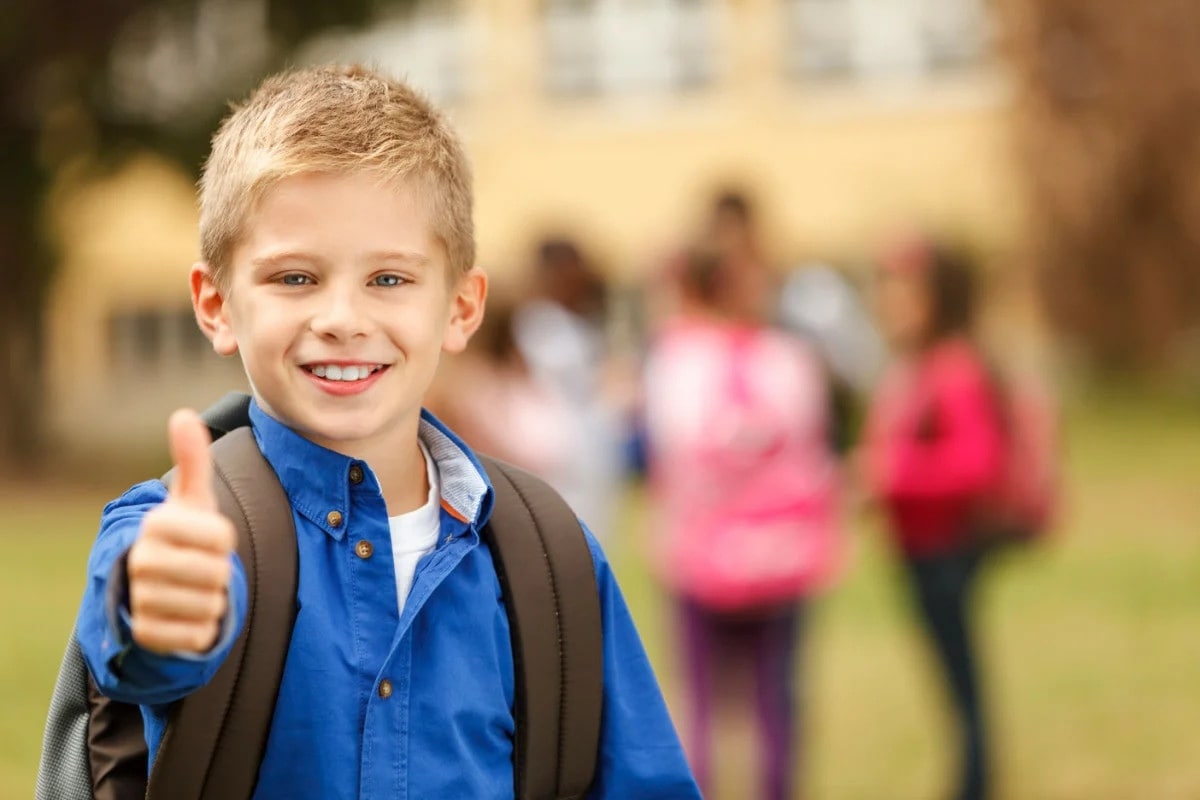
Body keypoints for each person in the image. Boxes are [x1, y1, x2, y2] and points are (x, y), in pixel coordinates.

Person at [72, 64, 699, 799]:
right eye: (295, 278)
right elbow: (145, 643)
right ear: (215, 304)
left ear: (462, 307)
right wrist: (164, 611)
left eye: (390, 280)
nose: (343, 318)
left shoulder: (550, 557)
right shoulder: (174, 532)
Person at [641, 245, 841, 800]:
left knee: (702, 703)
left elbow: (664, 455)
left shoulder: (676, 363)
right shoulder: (790, 360)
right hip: (783, 551)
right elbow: (815, 450)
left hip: (702, 554)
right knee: (776, 699)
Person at [860, 234, 1006, 800]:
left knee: (963, 689)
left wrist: (891, 475)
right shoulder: (913, 365)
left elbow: (975, 466)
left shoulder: (954, 369)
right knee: (952, 688)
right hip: (917, 549)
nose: (889, 303)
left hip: (946, 550)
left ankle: (973, 786)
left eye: (904, 291)